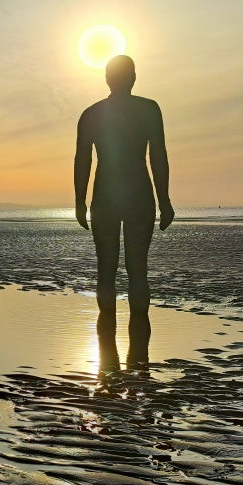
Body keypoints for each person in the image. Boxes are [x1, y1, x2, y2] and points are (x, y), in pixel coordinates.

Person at [74, 55, 174, 367]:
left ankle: (127, 359)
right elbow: (83, 160)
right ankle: (123, 360)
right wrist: (164, 199)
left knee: (117, 268)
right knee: (131, 268)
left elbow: (158, 154)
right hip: (129, 196)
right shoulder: (145, 110)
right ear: (130, 78)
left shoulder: (96, 114)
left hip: (113, 196)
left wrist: (80, 200)